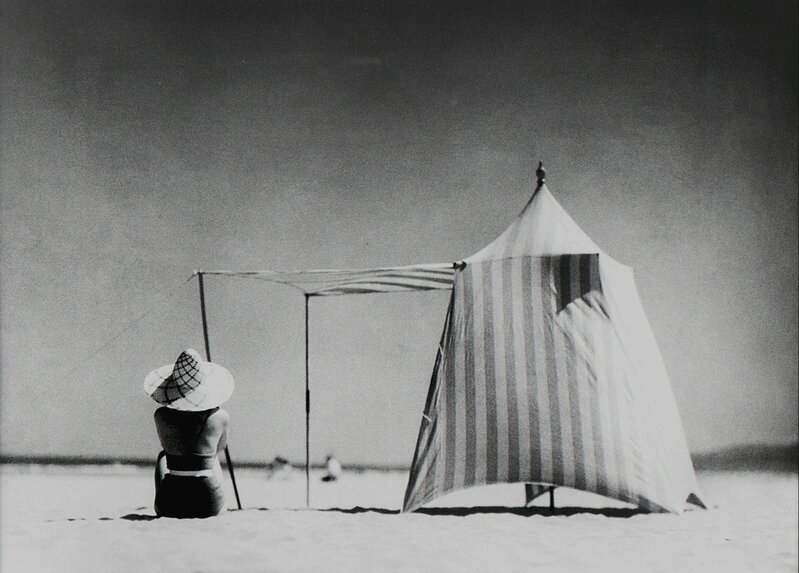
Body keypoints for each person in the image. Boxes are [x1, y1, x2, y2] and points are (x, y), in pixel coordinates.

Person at [143, 348, 234, 518]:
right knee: (212, 457)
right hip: (208, 502)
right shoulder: (220, 417)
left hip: (170, 502)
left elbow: (168, 447)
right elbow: (221, 447)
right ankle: (218, 498)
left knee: (163, 456)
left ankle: (161, 497)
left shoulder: (161, 416)